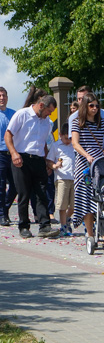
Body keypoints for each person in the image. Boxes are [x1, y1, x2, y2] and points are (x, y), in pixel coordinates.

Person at [4, 95, 61, 238]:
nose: (50, 114)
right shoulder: (22, 115)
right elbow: (8, 135)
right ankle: (24, 226)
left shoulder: (46, 122)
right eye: (49, 111)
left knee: (42, 193)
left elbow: (44, 144)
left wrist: (47, 161)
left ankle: (45, 226)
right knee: (23, 194)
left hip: (38, 159)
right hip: (21, 158)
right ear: (41, 105)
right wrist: (13, 153)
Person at [71, 94, 104, 239]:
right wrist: (86, 155)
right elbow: (75, 143)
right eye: (91, 106)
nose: (95, 108)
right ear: (85, 106)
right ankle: (90, 233)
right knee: (86, 198)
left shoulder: (102, 121)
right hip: (84, 162)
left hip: (99, 162)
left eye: (97, 106)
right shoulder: (77, 122)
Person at [46, 124, 76, 236]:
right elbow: (49, 160)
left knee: (74, 204)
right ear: (60, 135)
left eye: (70, 138)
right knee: (62, 204)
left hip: (75, 177)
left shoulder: (74, 144)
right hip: (62, 178)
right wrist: (54, 166)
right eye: (66, 138)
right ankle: (63, 226)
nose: (68, 141)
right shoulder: (56, 145)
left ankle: (68, 218)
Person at [0, 86, 18, 226]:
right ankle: (2, 214)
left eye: (4, 95)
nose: (2, 98)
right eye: (0, 95)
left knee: (15, 185)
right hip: (0, 154)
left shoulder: (14, 114)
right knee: (1, 185)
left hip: (12, 153)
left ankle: (4, 209)